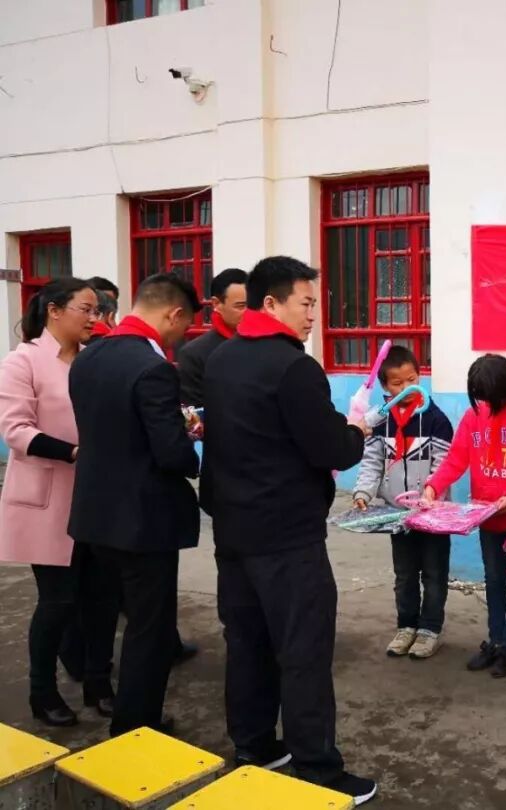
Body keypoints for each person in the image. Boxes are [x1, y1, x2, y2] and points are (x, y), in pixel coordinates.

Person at [201, 256, 376, 804]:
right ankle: (318, 770)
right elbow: (330, 450)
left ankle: (253, 745)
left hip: (233, 530)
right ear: (271, 303)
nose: (312, 316)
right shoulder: (294, 368)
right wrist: (356, 428)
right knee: (303, 651)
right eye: (306, 303)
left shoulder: (221, 358)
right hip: (286, 536)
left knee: (247, 642)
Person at [68, 273, 202, 736]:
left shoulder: (89, 356)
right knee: (150, 628)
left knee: (105, 613)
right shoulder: (153, 368)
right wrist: (190, 446)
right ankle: (135, 725)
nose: (179, 337)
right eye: (183, 327)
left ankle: (105, 692)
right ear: (174, 313)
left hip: (94, 512)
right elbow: (170, 453)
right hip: (143, 520)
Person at [0, 279, 118, 726]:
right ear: (54, 310)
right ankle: (42, 691)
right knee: (58, 602)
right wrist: (74, 452)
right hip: (48, 500)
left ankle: (98, 683)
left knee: (102, 599)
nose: (94, 318)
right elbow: (16, 429)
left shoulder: (93, 361)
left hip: (95, 497)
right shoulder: (23, 361)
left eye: (98, 310)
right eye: (86, 309)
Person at [423, 354, 506, 678]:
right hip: (486, 518)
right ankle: (495, 640)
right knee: (492, 580)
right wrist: (433, 486)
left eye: (490, 398)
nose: (486, 404)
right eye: (480, 398)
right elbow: (455, 459)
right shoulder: (474, 415)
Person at [352, 346, 454, 660]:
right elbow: (372, 462)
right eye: (398, 383)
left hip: (432, 516)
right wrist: (363, 493)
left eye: (412, 379)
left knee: (434, 575)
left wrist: (430, 497)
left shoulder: (436, 420)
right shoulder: (379, 422)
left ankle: (430, 630)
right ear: (385, 386)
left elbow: (443, 466)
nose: (407, 387)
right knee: (405, 575)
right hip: (398, 515)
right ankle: (406, 626)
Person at [177, 267, 248, 406]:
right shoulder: (195, 354)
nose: (248, 312)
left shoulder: (268, 345)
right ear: (216, 303)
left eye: (252, 306)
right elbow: (194, 411)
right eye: (240, 306)